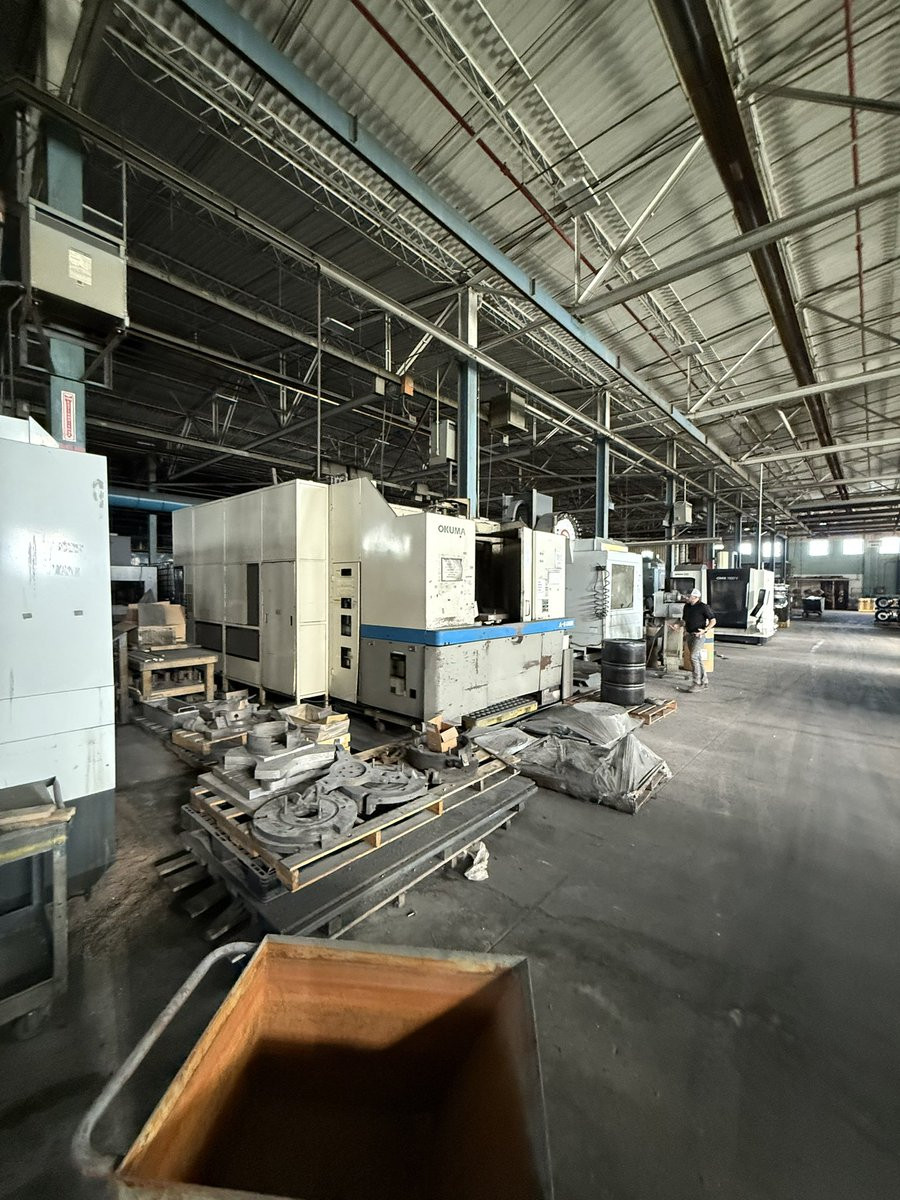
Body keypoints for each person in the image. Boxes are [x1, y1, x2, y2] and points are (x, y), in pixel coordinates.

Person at [683, 588, 716, 691]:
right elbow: (684, 620)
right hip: (689, 635)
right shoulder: (686, 606)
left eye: (689, 596)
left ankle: (697, 683)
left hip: (699, 635)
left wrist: (705, 630)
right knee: (697, 658)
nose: (686, 597)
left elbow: (713, 621)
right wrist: (677, 625)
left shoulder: (703, 607)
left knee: (693, 657)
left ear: (695, 597)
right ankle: (704, 681)